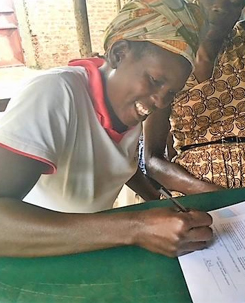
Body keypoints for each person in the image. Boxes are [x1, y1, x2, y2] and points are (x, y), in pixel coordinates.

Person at [0, 0, 213, 258]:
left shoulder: (127, 107)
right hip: (34, 255)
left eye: (171, 92)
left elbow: (119, 164)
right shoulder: (54, 94)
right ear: (118, 54)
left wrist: (157, 202)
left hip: (89, 249)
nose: (160, 101)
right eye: (155, 81)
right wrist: (136, 228)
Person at [144, 0, 245, 196]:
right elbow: (152, 160)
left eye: (233, 2)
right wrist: (209, 191)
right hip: (194, 187)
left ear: (241, 8)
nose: (219, 7)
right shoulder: (171, 62)